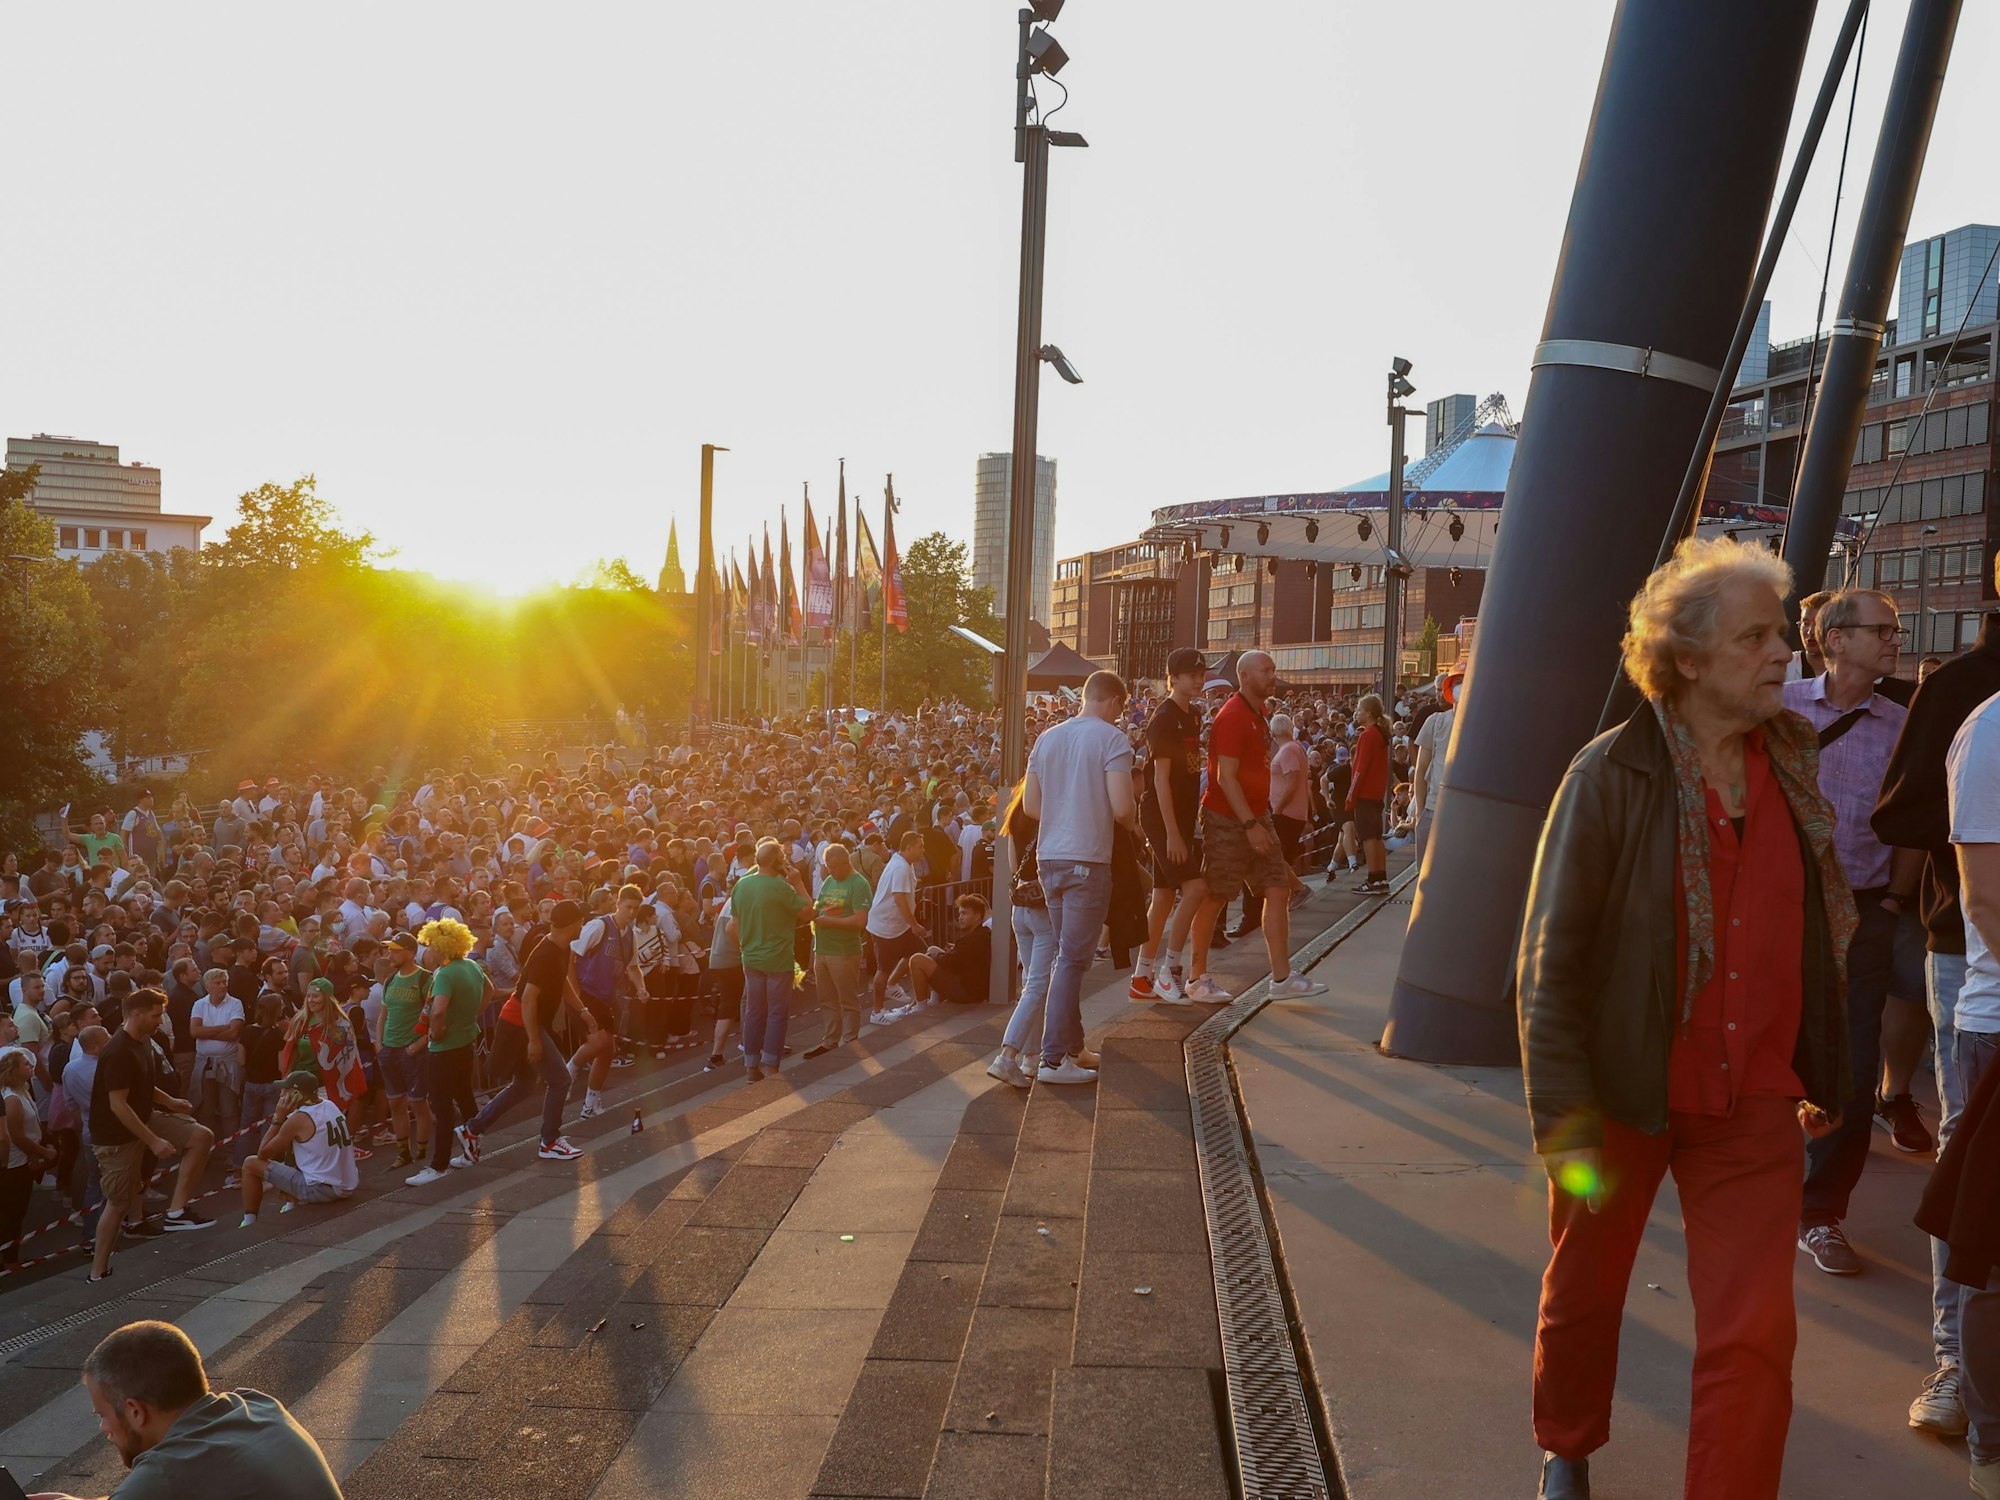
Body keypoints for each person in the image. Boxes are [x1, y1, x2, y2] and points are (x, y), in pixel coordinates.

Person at [1518, 538, 1853, 1500]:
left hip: (1754, 1103)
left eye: (1781, 632)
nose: (1782, 651)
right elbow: (1551, 960)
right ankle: (1567, 1443)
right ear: (1690, 657)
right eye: (1757, 636)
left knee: (1755, 1335)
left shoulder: (1794, 773)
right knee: (1584, 1293)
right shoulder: (1611, 775)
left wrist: (1821, 1068)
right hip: (1622, 1093)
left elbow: (1817, 939)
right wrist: (1563, 1124)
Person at [1874, 573, 2000, 1436]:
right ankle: (1958, 1362)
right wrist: (1963, 841)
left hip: (1967, 937)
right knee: (1969, 1166)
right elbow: (1900, 811)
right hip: (1968, 948)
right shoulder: (1963, 693)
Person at [1780, 588, 1912, 1277]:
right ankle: (1758, 1188)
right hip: (1778, 907)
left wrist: (1893, 900)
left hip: (1862, 911)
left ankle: (1820, 1212)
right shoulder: (1780, 707)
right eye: (1881, 630)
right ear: (1834, 640)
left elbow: (1913, 816)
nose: (1895, 639)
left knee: (1854, 1064)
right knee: (1769, 1047)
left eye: (1895, 630)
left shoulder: (1903, 722)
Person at [1916, 678, 2000, 1496]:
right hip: (1998, 1021)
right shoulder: (1994, 729)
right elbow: (1985, 900)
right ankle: (1986, 1436)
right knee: (1988, 1247)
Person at [32, 1319, 343, 1500]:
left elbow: (162, 1484)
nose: (104, 1429)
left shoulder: (167, 1471)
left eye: (102, 1415)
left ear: (135, 1412)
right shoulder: (257, 1405)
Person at [1188, 652, 1328, 1004]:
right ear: (1245, 676)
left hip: (1255, 813)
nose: (1272, 675)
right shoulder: (1234, 715)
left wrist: (1258, 817)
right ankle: (1196, 977)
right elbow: (1225, 777)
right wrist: (1250, 823)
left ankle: (1281, 979)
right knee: (1217, 894)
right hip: (1228, 817)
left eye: (1273, 669)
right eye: (1265, 670)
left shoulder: (1258, 713)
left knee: (1278, 889)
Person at [1023, 670, 1139, 1084]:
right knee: (1072, 960)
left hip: (1049, 857)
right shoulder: (1111, 739)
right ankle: (1053, 1060)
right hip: (1088, 859)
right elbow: (1123, 808)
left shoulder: (1046, 738)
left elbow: (1032, 807)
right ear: (1113, 702)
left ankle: (1073, 1046)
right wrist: (1132, 824)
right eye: (1121, 708)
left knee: (1064, 958)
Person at [90, 989, 216, 1282]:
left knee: (201, 1137)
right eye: (156, 1015)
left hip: (145, 1116)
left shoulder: (144, 1039)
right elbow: (118, 1105)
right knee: (118, 1203)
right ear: (136, 1014)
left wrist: (170, 1102)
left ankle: (175, 1213)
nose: (161, 1020)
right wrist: (153, 1140)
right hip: (116, 1137)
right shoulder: (118, 1050)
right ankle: (98, 1272)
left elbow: (142, 1085)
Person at [462, 900, 584, 1164]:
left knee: (524, 1085)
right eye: (580, 921)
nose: (582, 925)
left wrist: (582, 1010)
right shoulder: (546, 954)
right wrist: (533, 1040)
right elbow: (528, 998)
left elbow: (561, 981)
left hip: (522, 1022)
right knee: (560, 1079)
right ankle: (549, 1141)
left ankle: (472, 1129)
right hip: (521, 1023)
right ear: (574, 923)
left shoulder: (560, 949)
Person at [1134, 646, 1209, 1006]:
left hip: (1177, 816)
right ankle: (1170, 972)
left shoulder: (1192, 714)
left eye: (1201, 673)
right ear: (1173, 678)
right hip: (1162, 817)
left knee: (1164, 897)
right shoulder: (1164, 718)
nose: (1199, 679)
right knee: (1195, 889)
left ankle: (1141, 976)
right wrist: (1174, 834)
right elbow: (1160, 781)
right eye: (1191, 674)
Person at [409, 918, 485, 1186]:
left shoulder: (445, 973)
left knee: (441, 1107)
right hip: (466, 1043)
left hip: (444, 1049)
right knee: (465, 1098)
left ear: (442, 947)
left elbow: (438, 1010)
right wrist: (470, 1018)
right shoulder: (472, 966)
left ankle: (438, 1165)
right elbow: (490, 991)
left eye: (430, 946)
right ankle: (472, 1150)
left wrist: (438, 1030)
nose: (427, 951)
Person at [727, 840, 811, 1081]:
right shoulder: (781, 886)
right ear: (777, 862)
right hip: (778, 959)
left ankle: (751, 1066)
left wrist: (746, 945)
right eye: (783, 857)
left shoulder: (741, 885)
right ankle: (771, 1065)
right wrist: (798, 882)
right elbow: (809, 912)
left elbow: (734, 924)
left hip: (751, 957)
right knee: (776, 1013)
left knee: (754, 1011)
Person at [237, 1069, 357, 1224]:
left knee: (250, 1163)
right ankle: (291, 1204)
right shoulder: (329, 1104)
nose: (281, 1094)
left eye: (286, 1090)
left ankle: (248, 1221)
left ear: (297, 1095)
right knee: (297, 1147)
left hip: (320, 1189)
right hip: (346, 1185)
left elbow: (263, 1154)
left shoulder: (298, 1119)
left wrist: (278, 1119)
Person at [567, 887, 641, 1117]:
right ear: (617, 903)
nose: (631, 912)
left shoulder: (631, 935)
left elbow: (634, 967)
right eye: (627, 906)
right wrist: (575, 994)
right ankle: (568, 1070)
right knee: (599, 1043)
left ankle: (591, 1103)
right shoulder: (599, 926)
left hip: (606, 997)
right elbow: (571, 956)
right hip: (586, 993)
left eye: (636, 908)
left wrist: (641, 987)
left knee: (607, 1052)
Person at [804, 843, 870, 1058]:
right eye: (828, 867)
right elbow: (817, 908)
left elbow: (860, 920)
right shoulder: (830, 880)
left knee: (847, 998)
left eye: (833, 867)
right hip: (822, 947)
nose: (829, 872)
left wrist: (830, 922)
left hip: (843, 951)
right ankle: (830, 1040)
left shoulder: (858, 883)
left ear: (845, 863)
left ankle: (850, 1039)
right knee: (826, 998)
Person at [374, 932, 431, 1168]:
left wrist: (419, 1044)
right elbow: (383, 1016)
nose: (390, 954)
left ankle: (422, 1151)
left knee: (418, 1103)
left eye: (395, 950)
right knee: (396, 1104)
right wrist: (379, 1044)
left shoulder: (425, 979)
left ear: (410, 952)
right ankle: (403, 1153)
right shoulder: (390, 980)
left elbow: (437, 1016)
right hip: (390, 1050)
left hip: (412, 1051)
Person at [0, 1044, 54, 1267]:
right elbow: (16, 1136)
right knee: (12, 1213)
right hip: (14, 1165)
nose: (31, 1066)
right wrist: (43, 1152)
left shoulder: (23, 1090)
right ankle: (10, 1260)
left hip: (22, 1161)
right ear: (12, 1070)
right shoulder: (12, 1098)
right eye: (25, 1064)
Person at [864, 831, 929, 1014]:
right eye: (920, 847)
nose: (923, 851)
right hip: (886, 925)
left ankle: (892, 984)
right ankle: (877, 1011)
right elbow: (899, 898)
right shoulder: (900, 867)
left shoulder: (902, 863)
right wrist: (915, 925)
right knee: (883, 969)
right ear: (908, 847)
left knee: (917, 953)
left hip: (898, 924)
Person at [187, 967, 245, 1145]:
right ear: (207, 986)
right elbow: (194, 1031)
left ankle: (231, 1150)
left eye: (224, 982)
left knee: (229, 1109)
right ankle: (206, 1147)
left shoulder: (235, 1003)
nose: (222, 986)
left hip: (227, 1062)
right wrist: (223, 1027)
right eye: (217, 983)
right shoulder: (199, 1004)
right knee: (206, 1108)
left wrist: (206, 1032)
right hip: (205, 1063)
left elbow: (234, 1033)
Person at [1412, 663, 1463, 860]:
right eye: (1457, 682)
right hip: (1433, 810)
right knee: (1425, 879)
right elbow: (1421, 768)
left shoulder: (1483, 724)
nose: (1461, 686)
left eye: (1466, 681)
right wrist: (1419, 813)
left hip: (1464, 814)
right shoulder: (1436, 721)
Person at [905, 893, 992, 1005]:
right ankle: (934, 999)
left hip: (967, 992)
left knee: (917, 960)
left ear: (977, 916)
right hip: (972, 986)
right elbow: (958, 959)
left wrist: (935, 957)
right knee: (932, 949)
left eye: (964, 913)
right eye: (959, 913)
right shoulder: (981, 933)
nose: (960, 917)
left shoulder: (972, 940)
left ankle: (920, 1006)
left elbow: (950, 962)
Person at [1346, 693, 1391, 894]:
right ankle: (1380, 877)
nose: (1357, 712)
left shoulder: (1367, 735)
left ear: (1369, 713)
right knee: (1376, 836)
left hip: (1365, 792)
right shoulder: (1379, 735)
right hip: (1376, 792)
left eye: (1360, 709)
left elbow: (1360, 769)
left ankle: (1373, 879)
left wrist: (1350, 796)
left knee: (1368, 837)